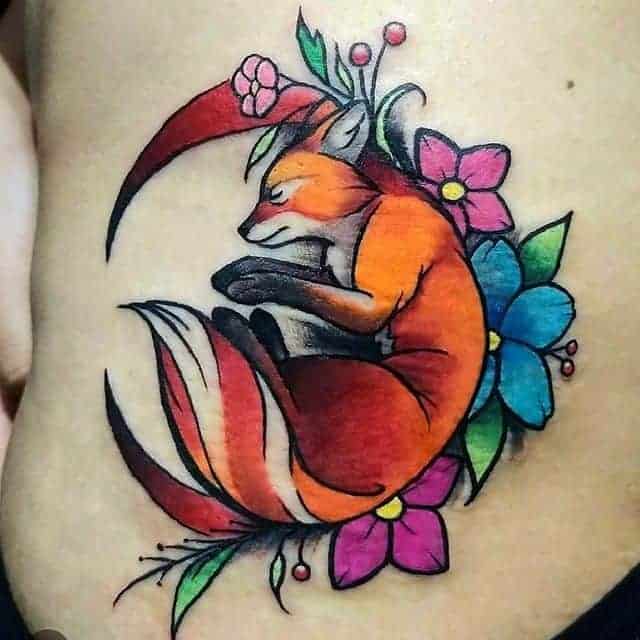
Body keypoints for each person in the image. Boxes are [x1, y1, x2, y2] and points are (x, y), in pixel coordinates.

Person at [1, 2, 640, 640]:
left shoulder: (399, 225)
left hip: (556, 574)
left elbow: (369, 314)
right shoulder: (357, 229)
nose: (256, 222)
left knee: (324, 391)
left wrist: (278, 284)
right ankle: (262, 373)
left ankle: (262, 375)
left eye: (277, 198)